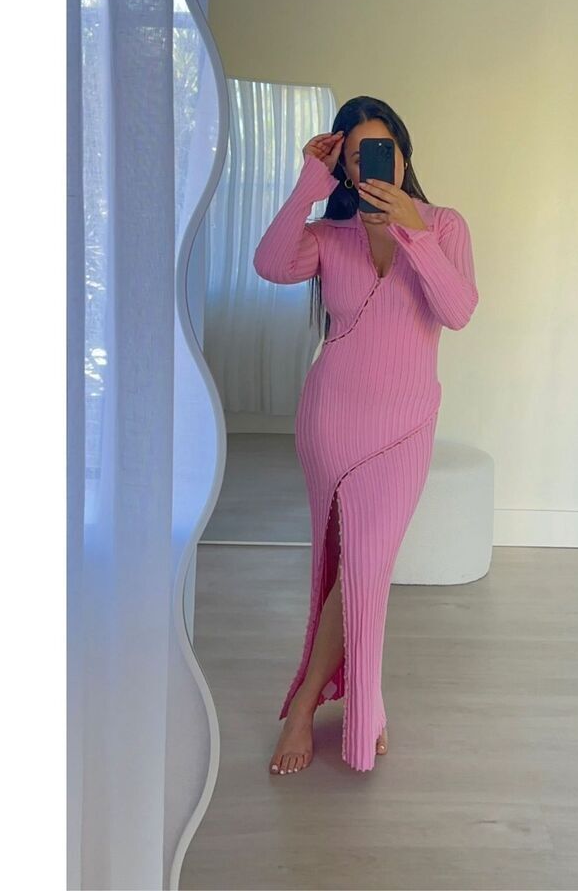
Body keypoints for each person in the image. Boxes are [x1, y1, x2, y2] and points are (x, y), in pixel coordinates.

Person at [253, 97, 479, 773]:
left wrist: (413, 231)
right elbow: (270, 264)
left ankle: (312, 705)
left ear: (404, 155)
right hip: (332, 419)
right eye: (357, 157)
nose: (374, 165)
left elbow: (457, 310)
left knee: (366, 569)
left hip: (404, 426)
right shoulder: (329, 234)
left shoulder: (445, 224)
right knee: (342, 566)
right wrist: (308, 182)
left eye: (384, 151)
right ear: (346, 170)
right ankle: (356, 705)